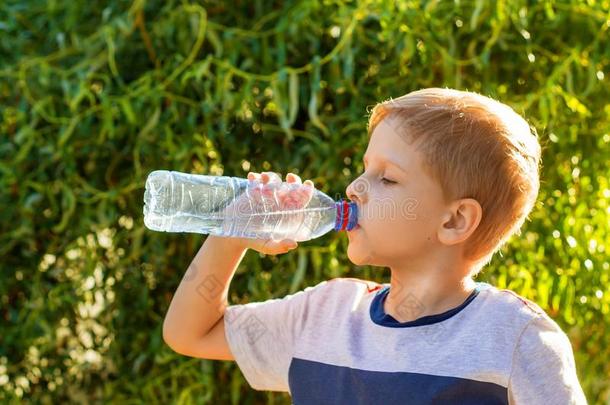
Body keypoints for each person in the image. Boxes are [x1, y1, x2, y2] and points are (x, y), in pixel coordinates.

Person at [162, 87, 587, 404]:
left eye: (387, 178)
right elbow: (190, 333)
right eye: (365, 169)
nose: (354, 188)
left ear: (454, 220)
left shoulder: (515, 339)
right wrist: (233, 231)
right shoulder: (323, 316)